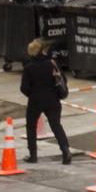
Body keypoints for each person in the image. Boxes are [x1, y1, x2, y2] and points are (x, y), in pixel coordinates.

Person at [19, 37, 71, 165]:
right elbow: (64, 79)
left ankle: (33, 155)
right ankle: (65, 151)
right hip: (53, 100)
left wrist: (32, 94)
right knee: (56, 125)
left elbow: (24, 88)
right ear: (42, 51)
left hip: (35, 101)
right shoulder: (52, 64)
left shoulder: (29, 68)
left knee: (31, 127)